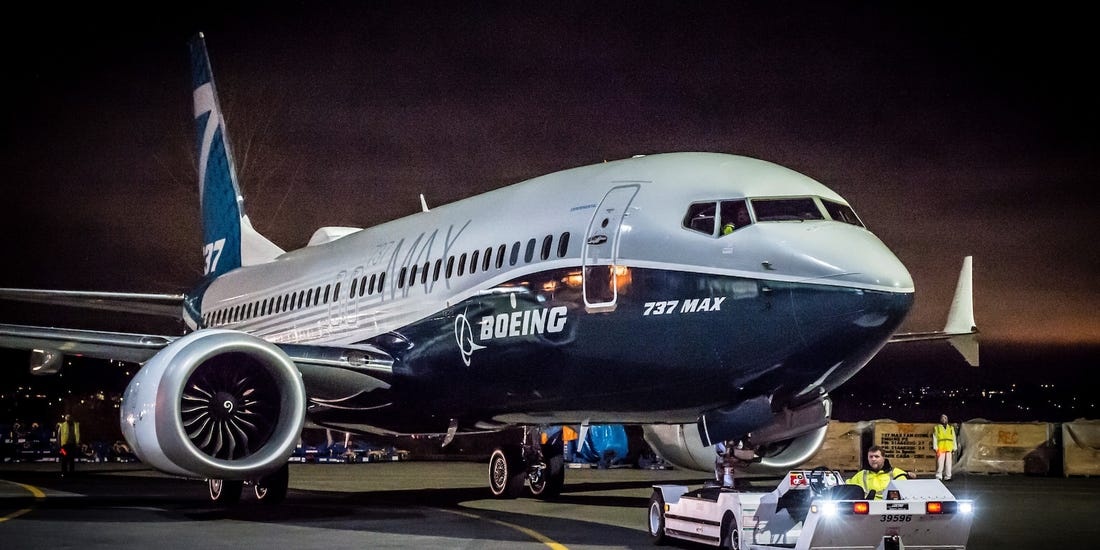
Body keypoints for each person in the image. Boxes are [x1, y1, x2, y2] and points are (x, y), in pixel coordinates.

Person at [932, 413, 957, 481]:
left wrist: (954, 447)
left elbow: (953, 438)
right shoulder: (937, 428)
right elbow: (935, 438)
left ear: (947, 419)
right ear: (940, 419)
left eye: (945, 418)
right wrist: (935, 447)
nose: (944, 419)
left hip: (949, 447)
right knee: (940, 463)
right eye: (942, 418)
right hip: (941, 448)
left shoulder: (951, 428)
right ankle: (939, 476)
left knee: (948, 463)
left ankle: (948, 476)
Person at [56, 413, 81, 478]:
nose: (68, 419)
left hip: (72, 445)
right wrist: (59, 446)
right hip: (64, 446)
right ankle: (64, 473)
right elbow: (58, 436)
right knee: (64, 459)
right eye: (67, 418)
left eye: (69, 417)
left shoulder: (75, 425)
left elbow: (77, 434)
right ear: (65, 419)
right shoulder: (62, 426)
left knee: (71, 459)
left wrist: (78, 443)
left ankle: (71, 473)